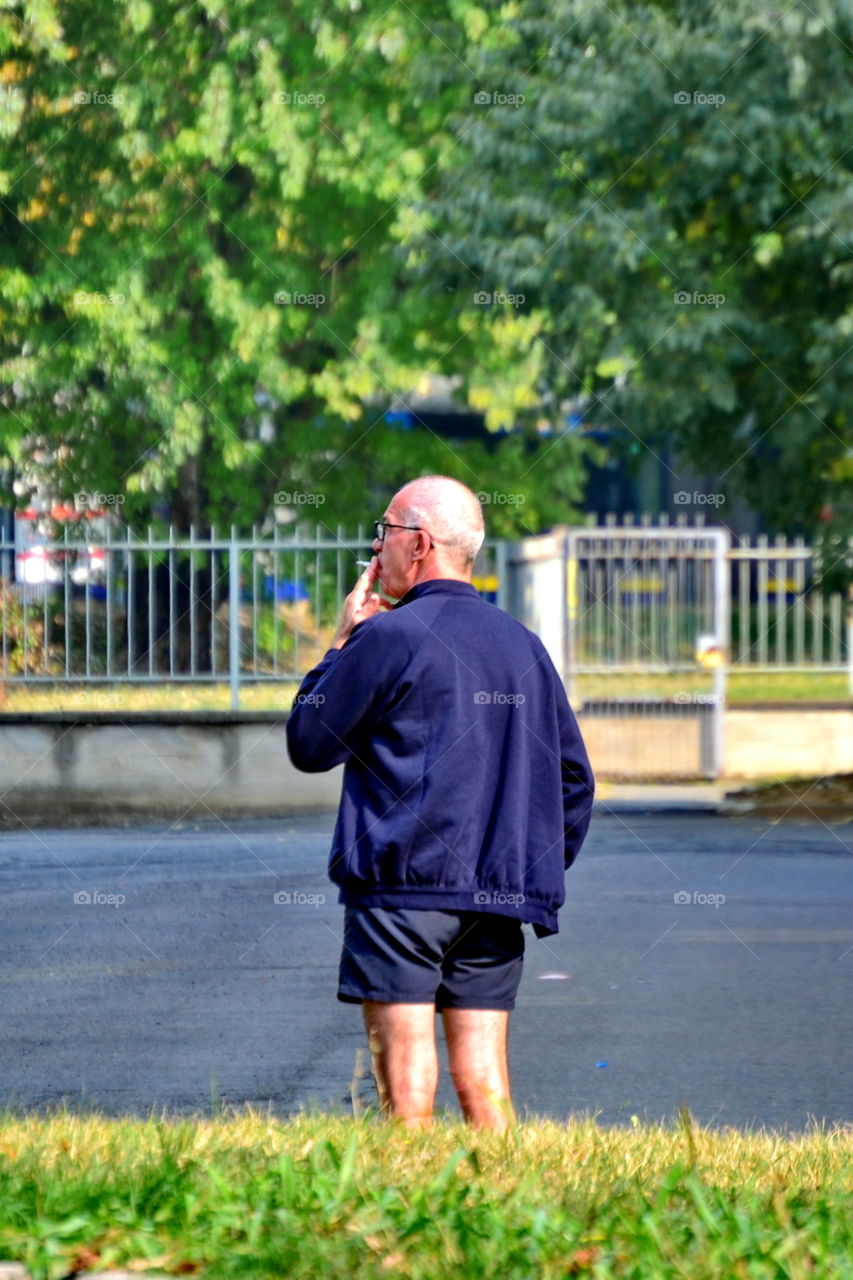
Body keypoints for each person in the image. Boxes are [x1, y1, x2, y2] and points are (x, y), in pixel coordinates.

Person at [286, 476, 594, 1129]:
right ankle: (510, 1212)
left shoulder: (388, 639)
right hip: (497, 895)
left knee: (405, 1075)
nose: (376, 547)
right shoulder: (523, 648)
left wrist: (340, 642)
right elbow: (573, 780)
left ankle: (410, 1208)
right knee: (483, 1078)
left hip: (402, 890)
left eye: (384, 532)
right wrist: (522, 867)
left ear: (419, 542)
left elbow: (310, 742)